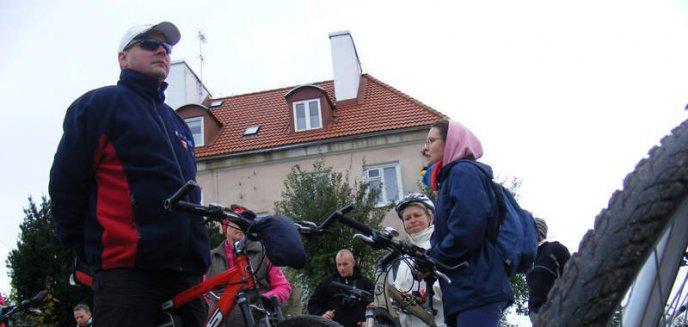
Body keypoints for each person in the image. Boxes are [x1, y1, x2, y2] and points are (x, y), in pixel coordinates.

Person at [49, 21, 209, 326]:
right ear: (123, 58)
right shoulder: (100, 105)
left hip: (185, 274)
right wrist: (90, 253)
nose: (161, 50)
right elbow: (66, 185)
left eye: (167, 47)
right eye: (149, 43)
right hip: (126, 272)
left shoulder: (178, 123)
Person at [420, 119, 513, 327]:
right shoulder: (450, 178)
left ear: (450, 142)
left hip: (476, 285)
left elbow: (467, 228)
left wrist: (434, 258)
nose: (425, 148)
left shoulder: (462, 172)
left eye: (431, 140)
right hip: (465, 290)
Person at [206, 205, 292, 326]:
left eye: (244, 223)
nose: (240, 227)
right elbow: (203, 293)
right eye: (236, 222)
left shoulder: (263, 253)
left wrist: (265, 300)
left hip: (258, 321)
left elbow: (283, 286)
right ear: (225, 227)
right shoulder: (210, 257)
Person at [393, 193, 446, 327]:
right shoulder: (405, 255)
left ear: (430, 217)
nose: (412, 220)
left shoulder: (439, 245)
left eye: (417, 215)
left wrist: (427, 295)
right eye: (407, 218)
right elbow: (399, 287)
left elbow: (448, 281)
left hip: (438, 320)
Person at [308, 249, 374, 327]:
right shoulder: (328, 282)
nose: (341, 268)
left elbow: (376, 306)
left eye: (345, 264)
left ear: (353, 263)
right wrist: (322, 315)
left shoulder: (365, 282)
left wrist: (368, 321)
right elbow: (312, 304)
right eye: (338, 264)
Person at [526, 217, 571, 324]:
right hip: (535, 315)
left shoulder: (556, 249)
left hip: (557, 311)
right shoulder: (530, 258)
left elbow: (572, 276)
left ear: (537, 232)